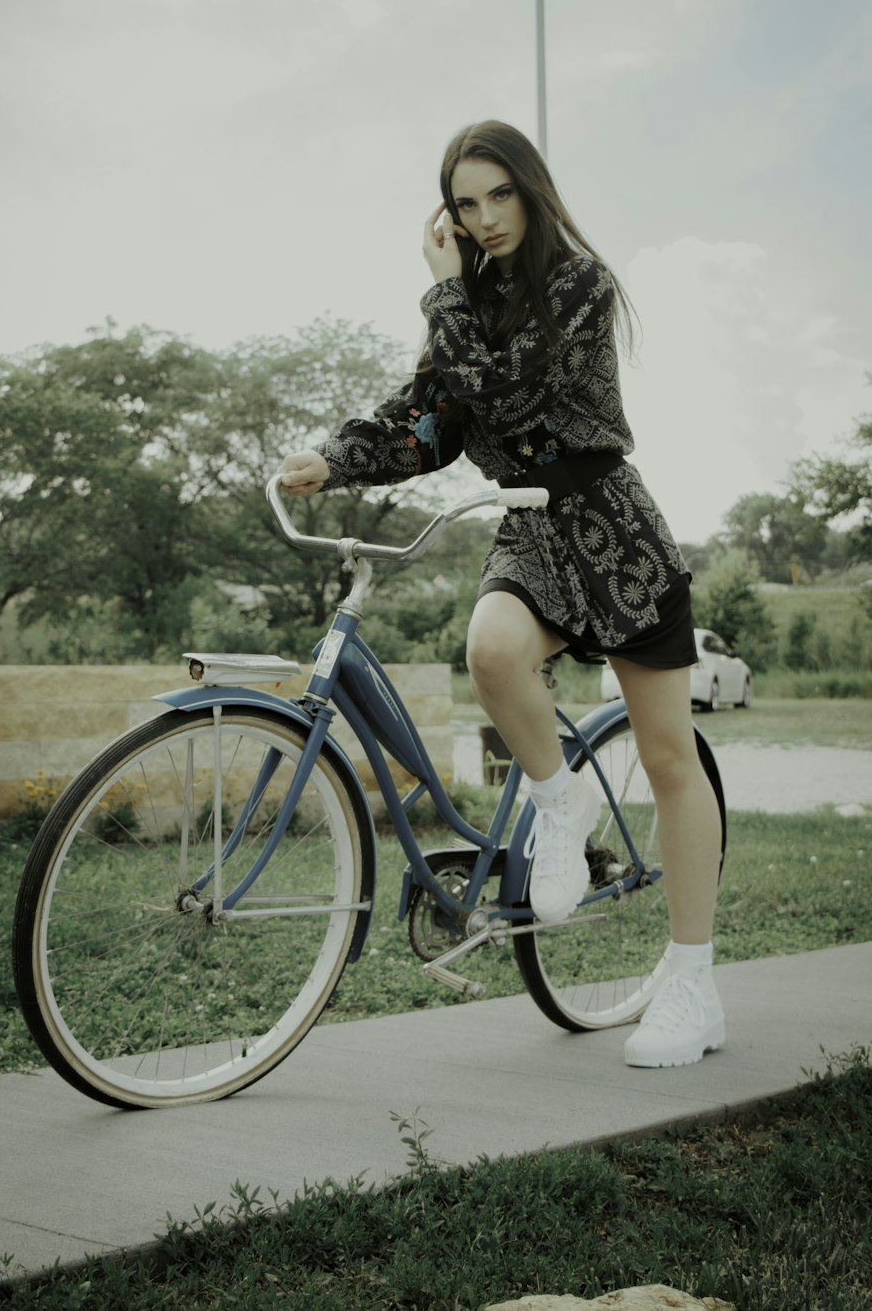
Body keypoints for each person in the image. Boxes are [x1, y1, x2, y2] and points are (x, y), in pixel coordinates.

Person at [279, 119, 724, 1068]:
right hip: (530, 529)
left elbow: (513, 391)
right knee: (490, 651)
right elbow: (433, 418)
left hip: (612, 529)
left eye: (498, 196)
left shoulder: (578, 284)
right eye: (465, 203)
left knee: (668, 756)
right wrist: (336, 457)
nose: (483, 220)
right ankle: (558, 807)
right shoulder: (465, 300)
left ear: (531, 189)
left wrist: (442, 291)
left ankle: (693, 983)